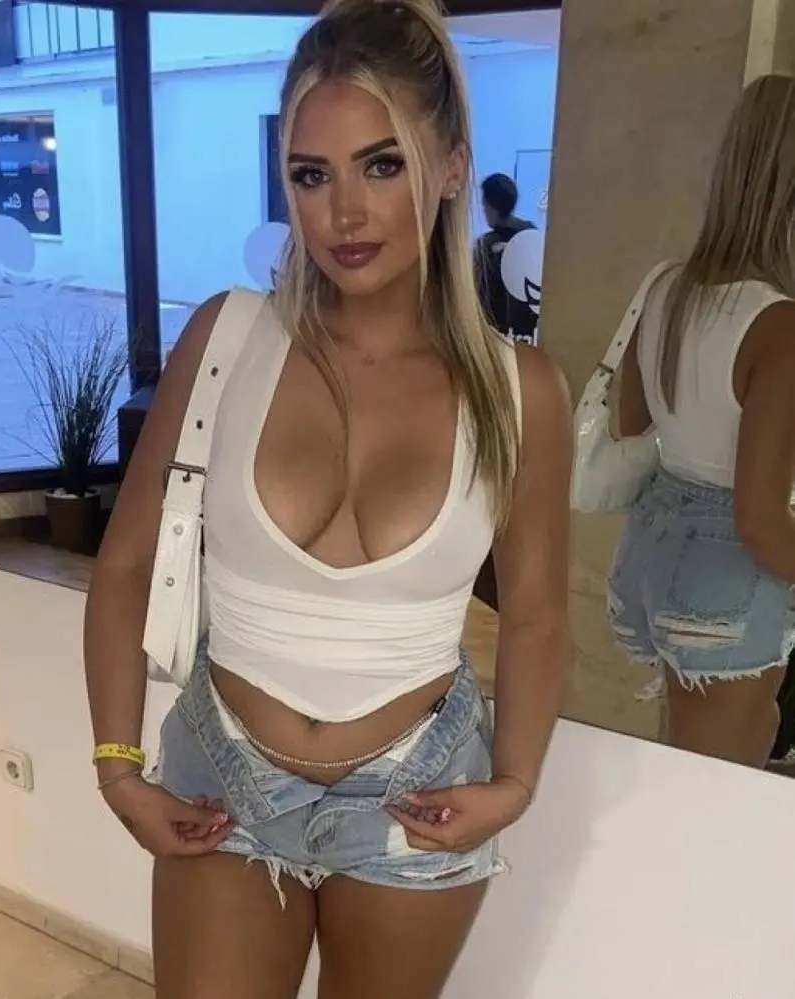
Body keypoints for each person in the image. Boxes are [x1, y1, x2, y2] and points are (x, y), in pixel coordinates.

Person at [84, 1, 572, 996]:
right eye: (312, 175)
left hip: (416, 788)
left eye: (380, 165)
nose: (343, 213)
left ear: (450, 168)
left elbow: (535, 611)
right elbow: (126, 562)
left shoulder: (520, 391)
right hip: (223, 773)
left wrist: (516, 782)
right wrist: (117, 764)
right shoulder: (227, 339)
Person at [608, 73, 795, 769]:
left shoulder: (668, 286)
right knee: (714, 786)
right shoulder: (778, 325)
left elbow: (630, 419)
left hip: (653, 547)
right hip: (727, 571)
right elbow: (760, 519)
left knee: (685, 768)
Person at [474, 173, 537, 342]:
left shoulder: (484, 246)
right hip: (528, 335)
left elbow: (476, 292)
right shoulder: (531, 234)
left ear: (490, 206)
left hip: (494, 334)